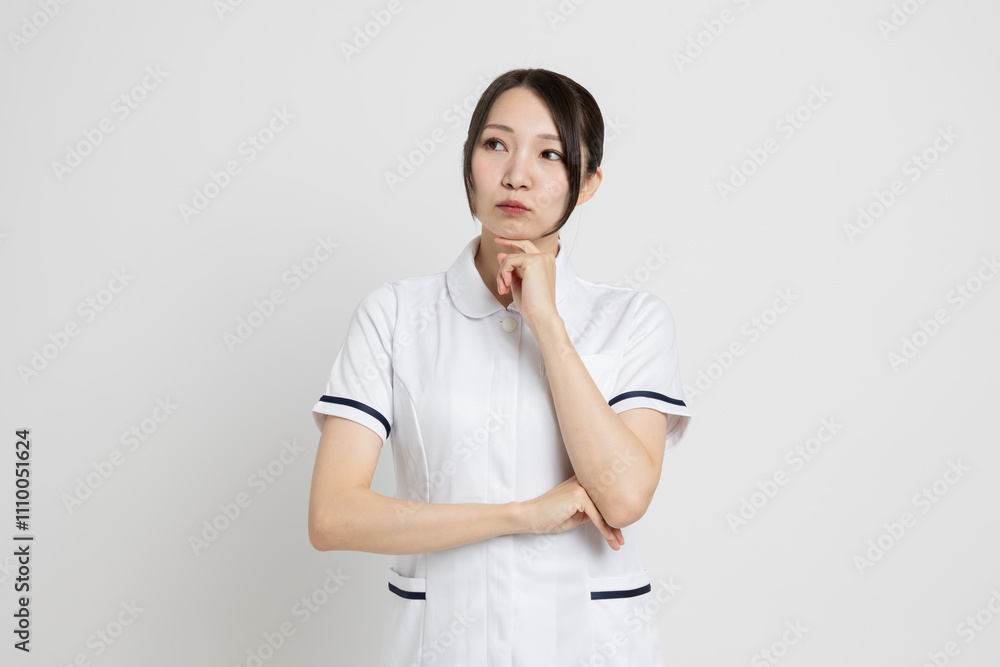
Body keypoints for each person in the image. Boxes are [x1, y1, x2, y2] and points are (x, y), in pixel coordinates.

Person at [307, 67, 692, 667]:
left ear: (588, 184)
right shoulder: (395, 314)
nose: (517, 175)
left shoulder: (634, 320)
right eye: (495, 144)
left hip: (590, 646)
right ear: (469, 163)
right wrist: (520, 517)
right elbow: (333, 517)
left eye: (550, 154)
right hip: (443, 645)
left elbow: (622, 498)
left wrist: (548, 324)